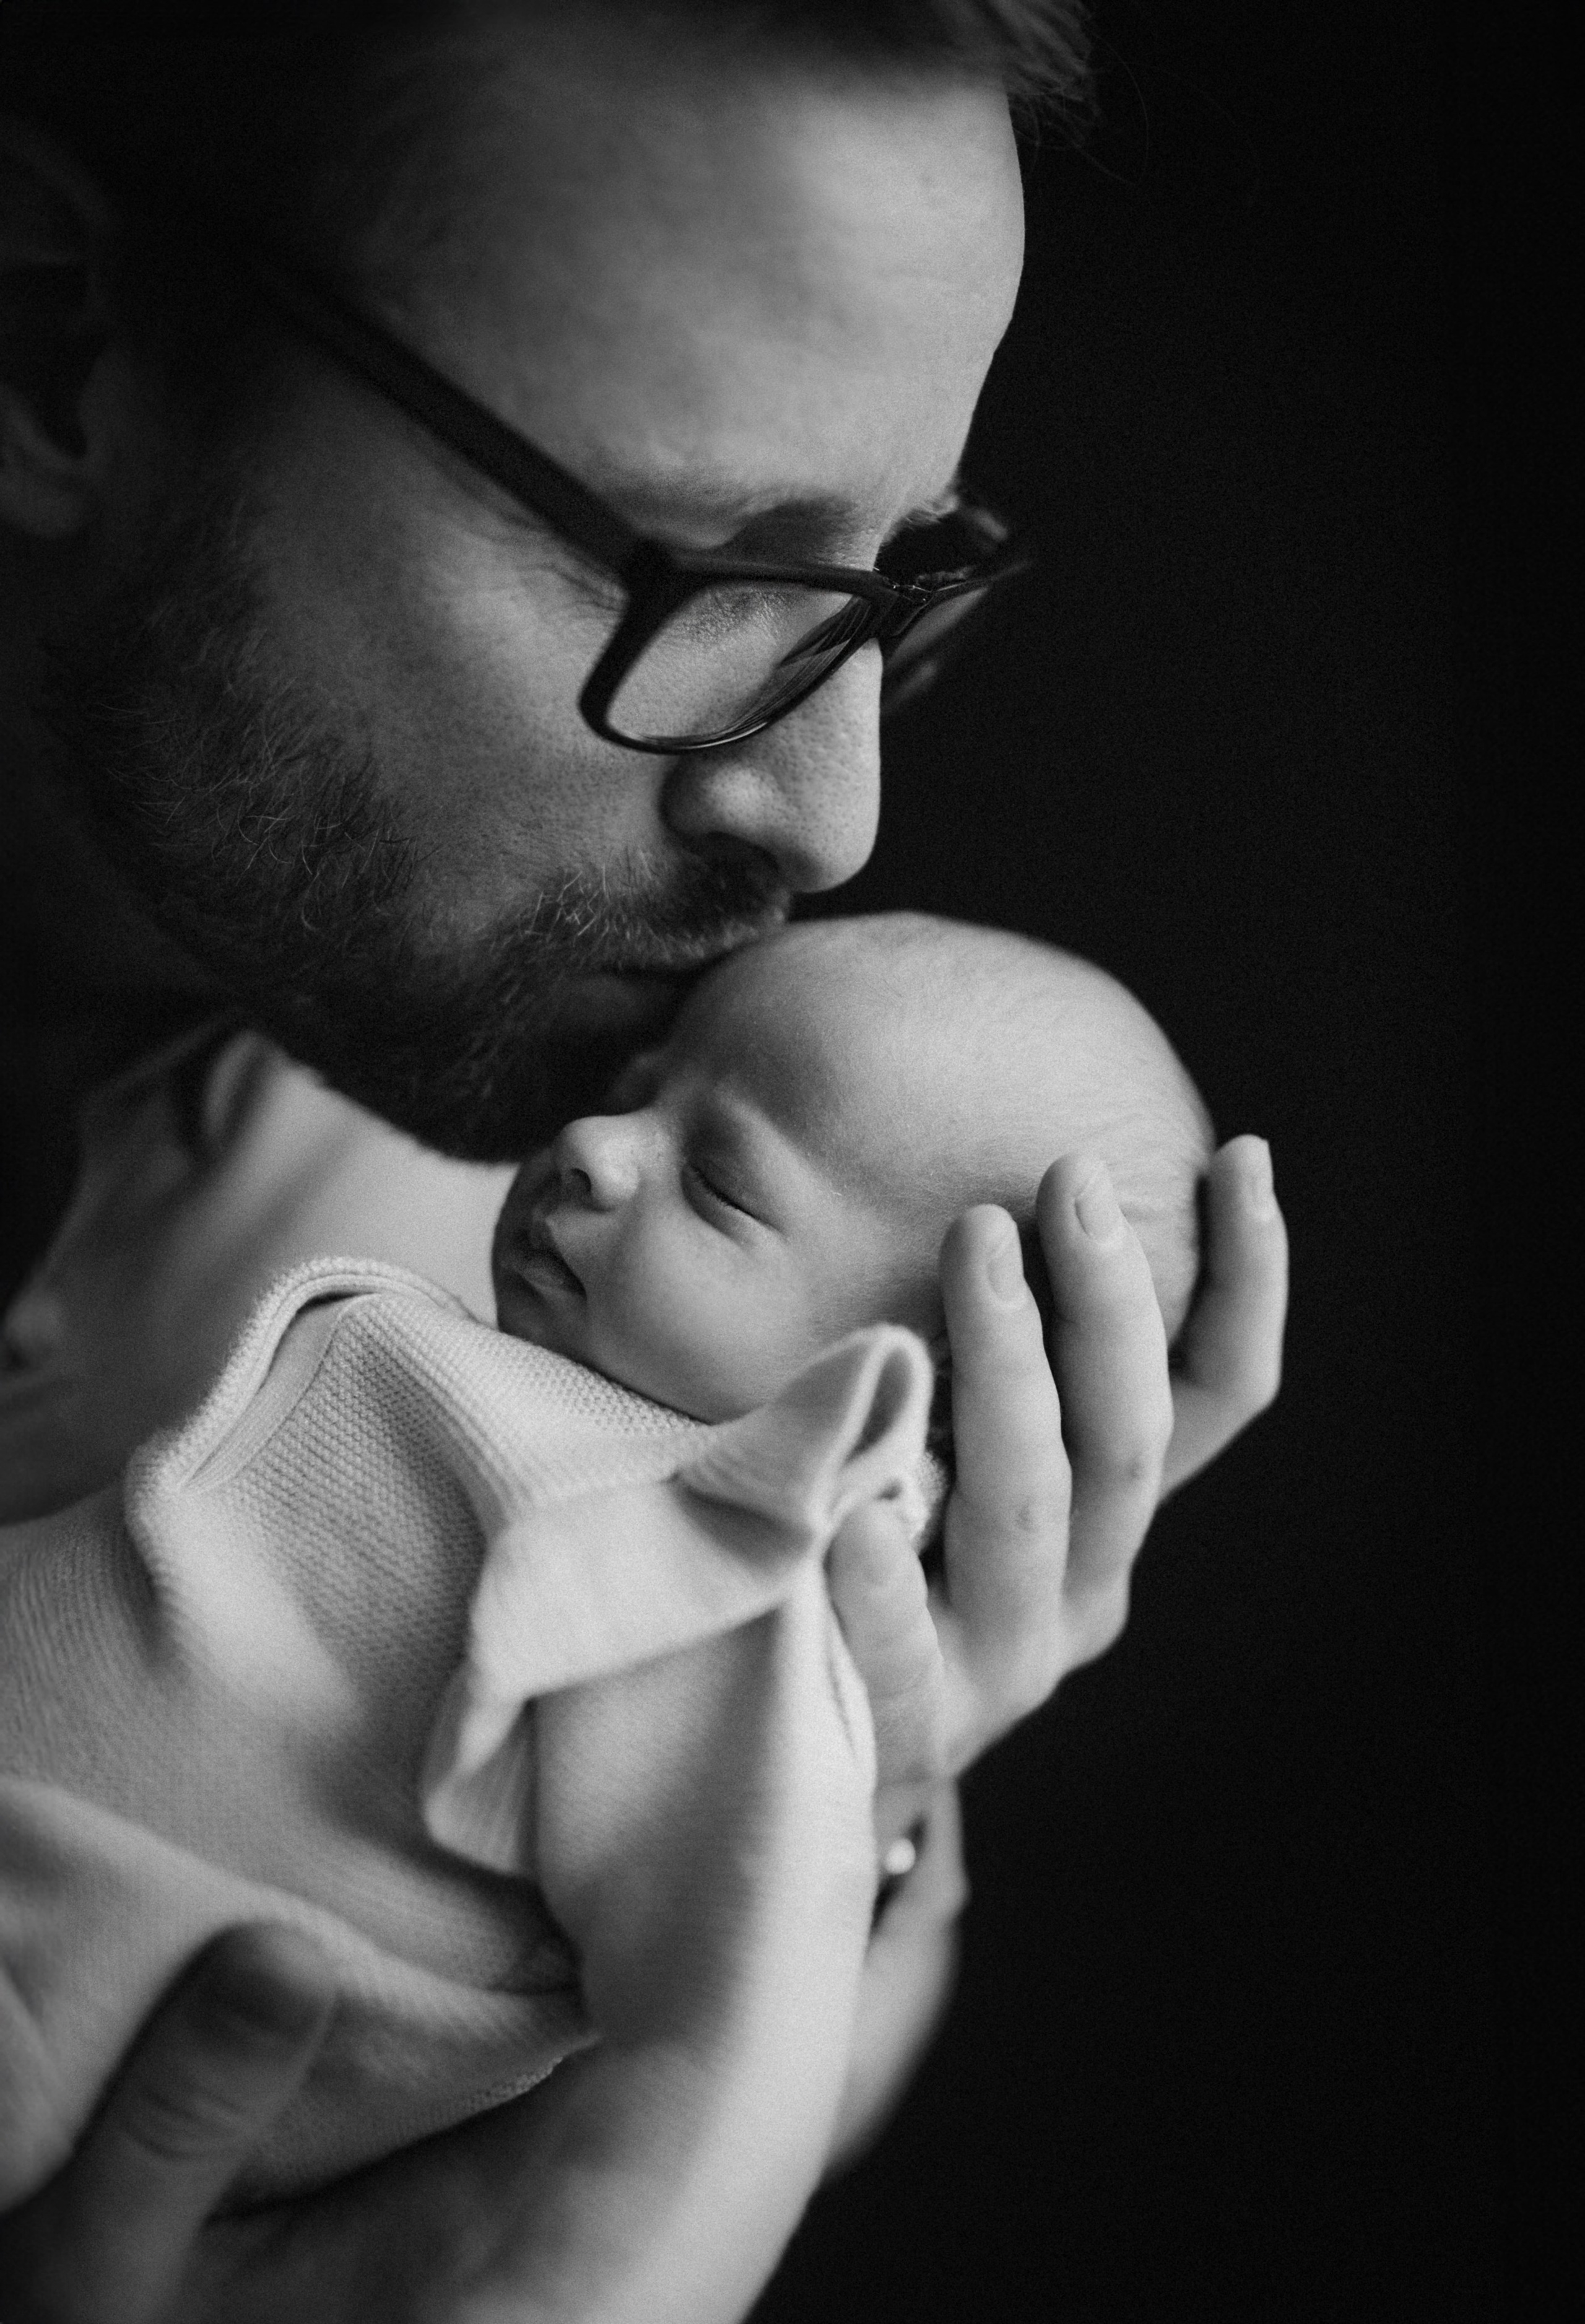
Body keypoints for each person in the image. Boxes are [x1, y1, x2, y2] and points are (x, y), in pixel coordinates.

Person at [0, 5, 1288, 2317]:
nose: (835, 816)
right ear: (54, 341)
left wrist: (850, 1776)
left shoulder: (588, 1224)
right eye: (705, 577)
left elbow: (729, 2106)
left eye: (896, 582)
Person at [1, 912, 1213, 2235]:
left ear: (903, 1396)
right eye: (636, 1090)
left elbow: (733, 2060)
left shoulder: (707, 1593)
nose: (592, 1145)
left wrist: (565, 2293)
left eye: (720, 1185)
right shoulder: (498, 1334)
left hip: (70, 2011)